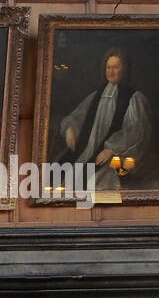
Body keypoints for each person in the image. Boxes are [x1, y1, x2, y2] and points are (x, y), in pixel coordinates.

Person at [56, 47, 152, 191]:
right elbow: (78, 115)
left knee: (97, 183)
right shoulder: (97, 95)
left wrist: (111, 149)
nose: (111, 72)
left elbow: (136, 132)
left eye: (115, 67)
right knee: (59, 175)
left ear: (124, 69)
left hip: (114, 155)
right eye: (108, 67)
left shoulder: (134, 98)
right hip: (87, 150)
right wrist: (70, 128)